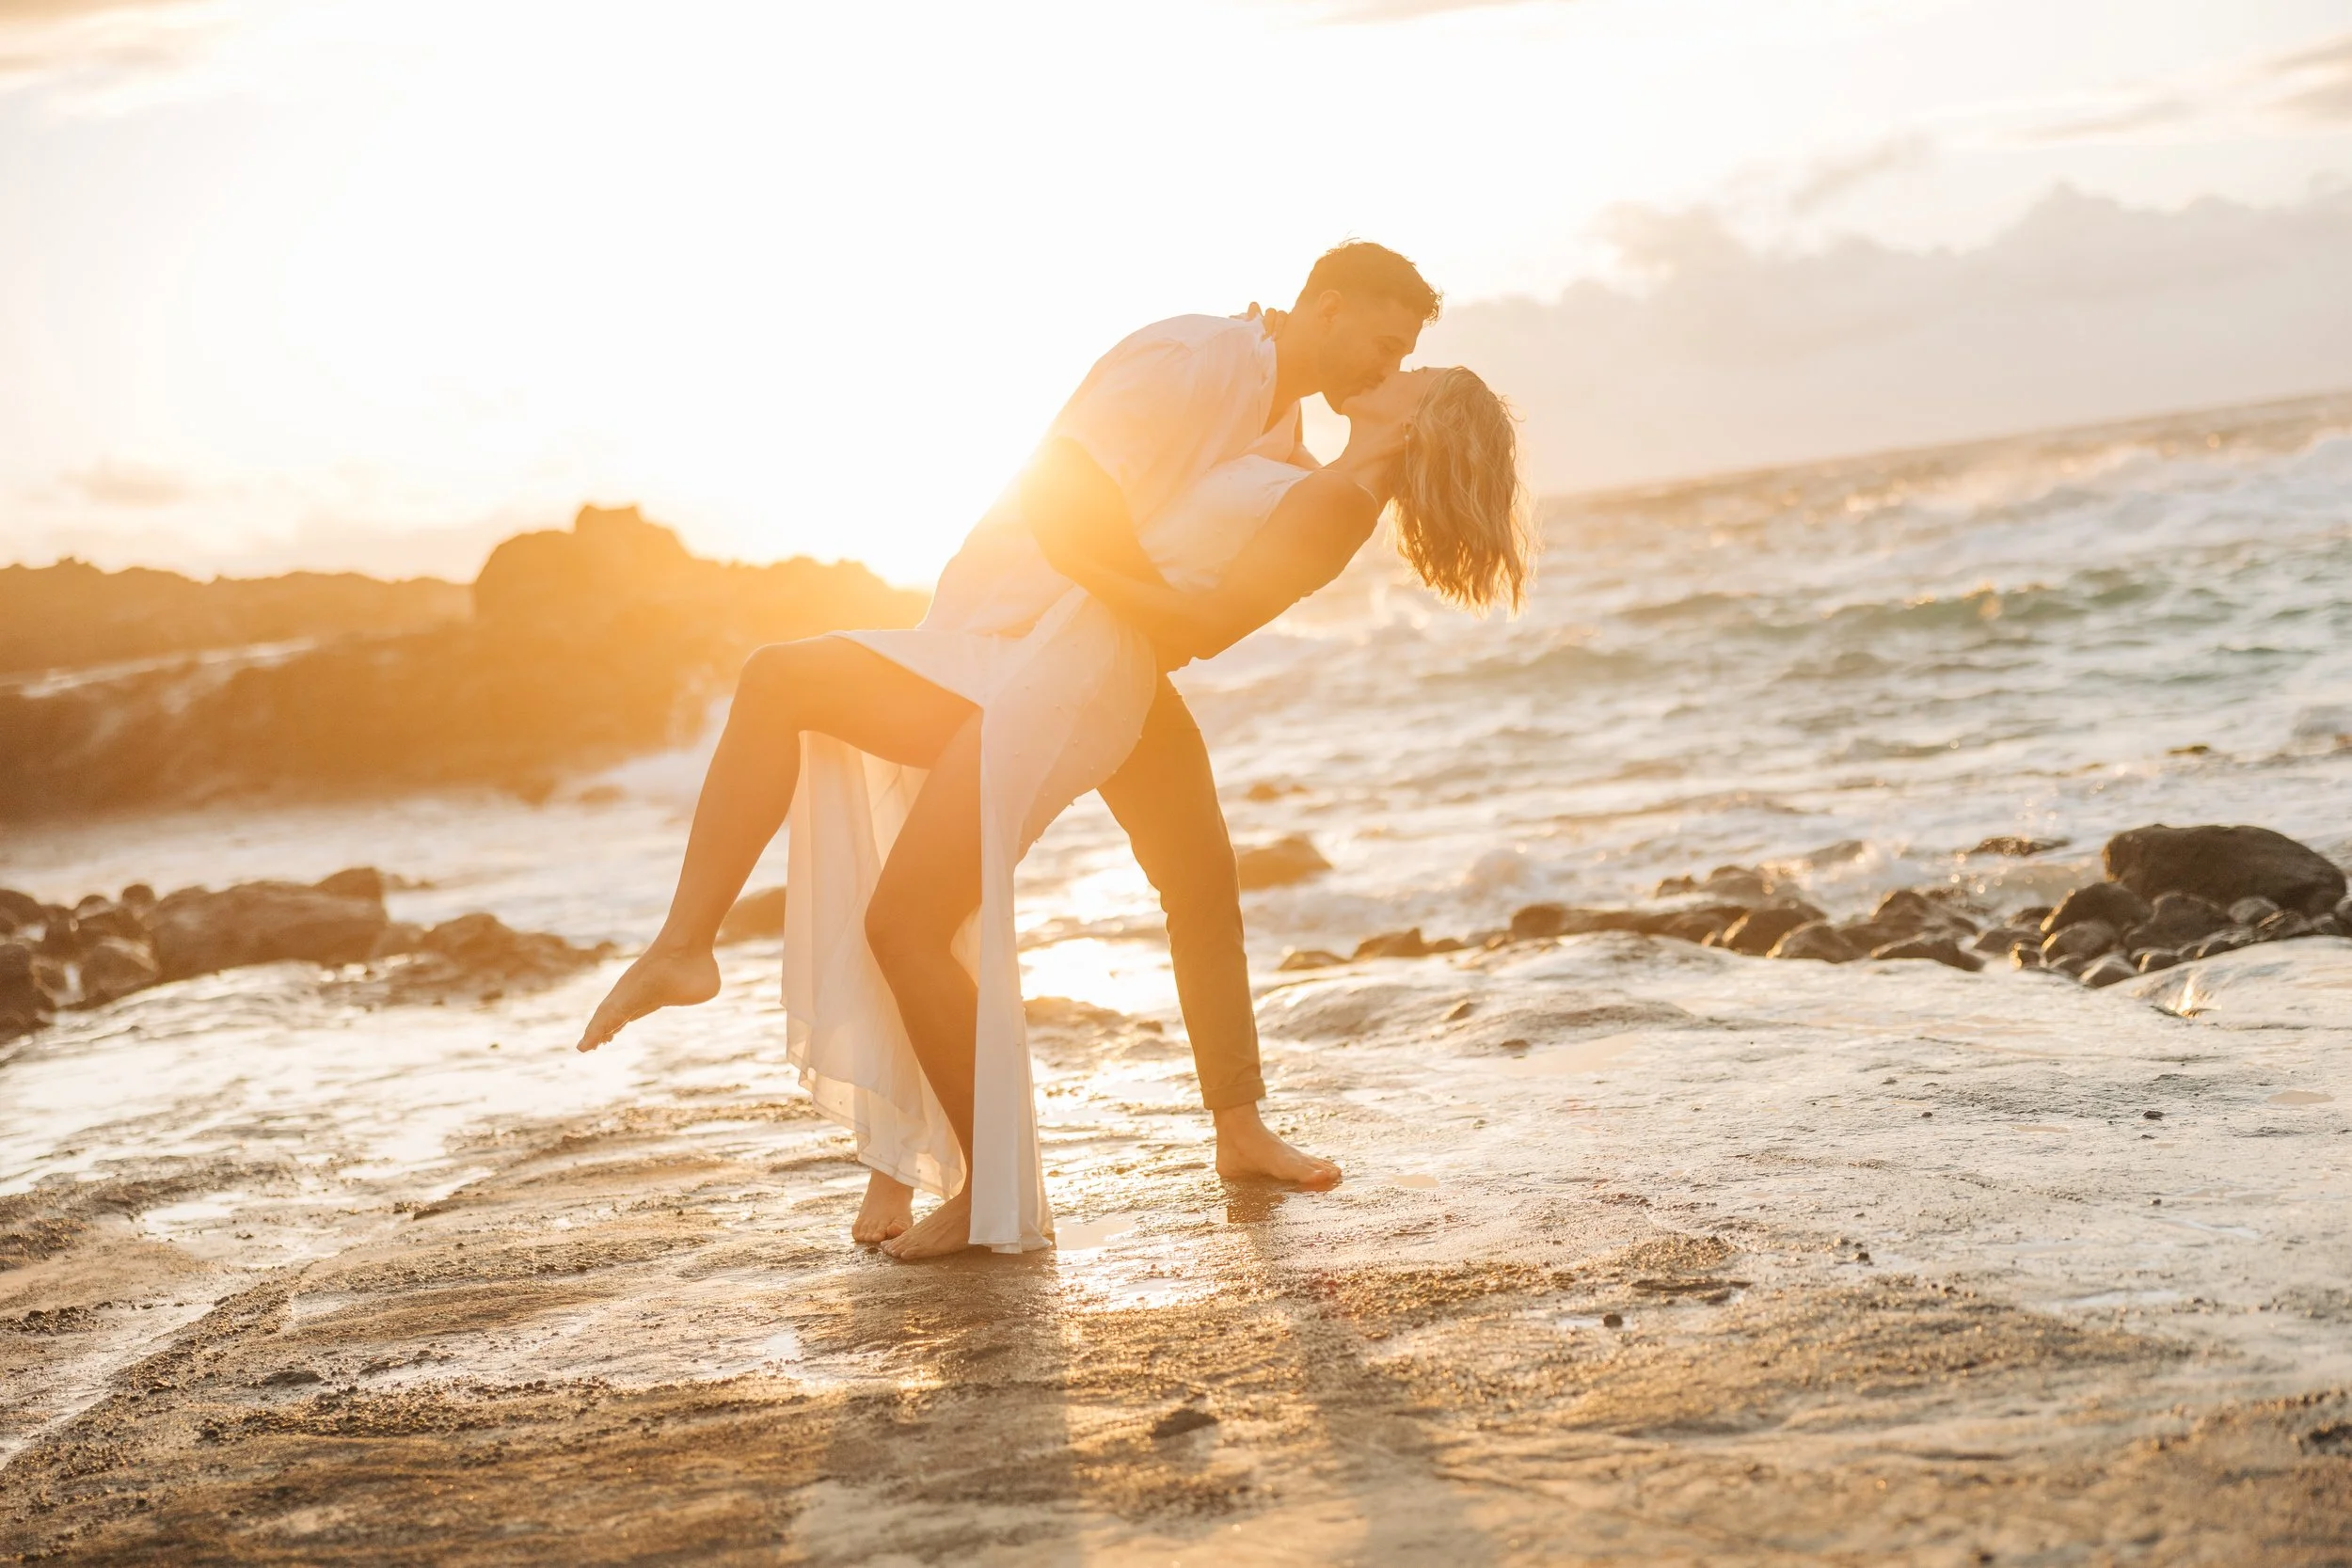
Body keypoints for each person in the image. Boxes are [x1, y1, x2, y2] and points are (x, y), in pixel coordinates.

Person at [577, 244, 1529, 1258]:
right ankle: (1079, 1141)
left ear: (1421, 423)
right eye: (1390, 346)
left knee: (913, 901)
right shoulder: (1215, 376)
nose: (1392, 370)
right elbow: (1078, 487)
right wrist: (1093, 577)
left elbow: (1205, 613)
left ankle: (980, 1174)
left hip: (1079, 660)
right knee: (1174, 876)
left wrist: (1098, 583)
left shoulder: (1320, 469)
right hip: (1029, 641)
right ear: (1325, 308)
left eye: (1410, 368)